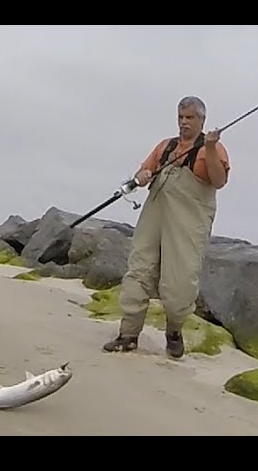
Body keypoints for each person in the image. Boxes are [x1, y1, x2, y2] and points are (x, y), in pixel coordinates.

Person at [102, 96, 230, 359]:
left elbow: (218, 181)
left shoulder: (212, 149)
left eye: (190, 118)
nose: (184, 122)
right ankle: (128, 335)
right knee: (139, 270)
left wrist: (212, 148)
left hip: (188, 224)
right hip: (154, 217)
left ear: (202, 120)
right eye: (181, 117)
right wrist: (141, 178)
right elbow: (142, 173)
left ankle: (174, 331)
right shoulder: (165, 146)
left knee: (180, 282)